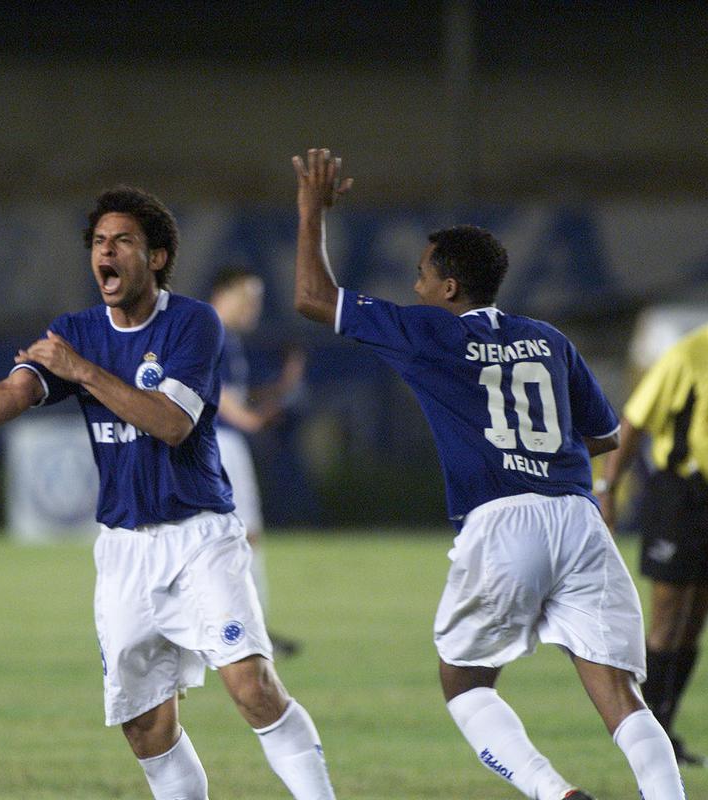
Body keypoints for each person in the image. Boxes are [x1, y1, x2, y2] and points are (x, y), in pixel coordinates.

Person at [0, 186, 335, 800]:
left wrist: (82, 371)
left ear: (155, 258)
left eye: (122, 241)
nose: (107, 252)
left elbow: (172, 423)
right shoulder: (75, 332)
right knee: (147, 726)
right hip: (124, 551)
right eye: (99, 242)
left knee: (252, 686)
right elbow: (16, 390)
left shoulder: (192, 323)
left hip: (199, 536)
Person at [292, 148, 685, 800]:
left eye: (422, 277)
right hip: (578, 516)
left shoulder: (428, 332)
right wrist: (542, 458)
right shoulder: (549, 338)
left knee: (465, 683)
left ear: (449, 288)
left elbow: (312, 297)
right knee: (618, 692)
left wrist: (311, 211)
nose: (416, 287)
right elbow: (606, 434)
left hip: (502, 521)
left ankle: (555, 794)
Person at [596, 254, 708, 768]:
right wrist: (608, 489)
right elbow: (634, 421)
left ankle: (664, 727)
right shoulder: (687, 356)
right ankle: (641, 737)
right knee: (666, 617)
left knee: (695, 622)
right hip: (680, 495)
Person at [209, 267, 307, 657]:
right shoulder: (211, 332)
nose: (254, 307)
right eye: (247, 297)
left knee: (221, 537)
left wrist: (279, 388)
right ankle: (250, 630)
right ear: (224, 293)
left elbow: (231, 393)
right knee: (244, 536)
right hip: (220, 443)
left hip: (214, 442)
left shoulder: (220, 335)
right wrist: (251, 419)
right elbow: (218, 396)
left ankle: (237, 627)